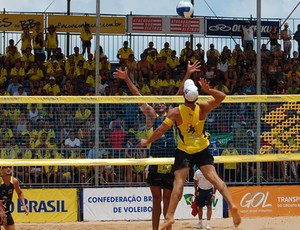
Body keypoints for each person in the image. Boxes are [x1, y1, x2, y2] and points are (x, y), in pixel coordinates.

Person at [140, 78, 241, 229]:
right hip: (201, 148)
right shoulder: (203, 107)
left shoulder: (176, 112)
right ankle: (232, 204)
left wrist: (147, 141)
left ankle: (170, 216)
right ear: (196, 96)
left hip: (185, 150)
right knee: (215, 179)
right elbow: (222, 97)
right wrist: (209, 90)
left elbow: (161, 130)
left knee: (178, 183)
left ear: (184, 96)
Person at [113, 60, 201, 230]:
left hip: (170, 159)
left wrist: (188, 73)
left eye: (163, 101)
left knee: (168, 200)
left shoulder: (172, 112)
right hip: (155, 160)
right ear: (155, 105)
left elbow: (182, 90)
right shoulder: (152, 115)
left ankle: (167, 228)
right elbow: (138, 95)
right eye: (158, 102)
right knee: (156, 200)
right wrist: (126, 79)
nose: (161, 103)